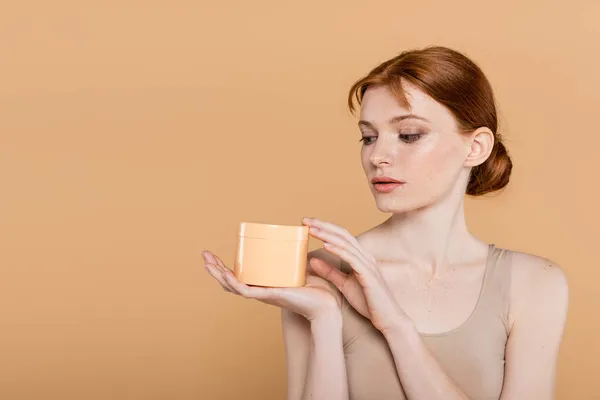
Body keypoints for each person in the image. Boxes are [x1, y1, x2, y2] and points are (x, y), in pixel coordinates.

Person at [202, 46, 569, 400]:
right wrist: (326, 321)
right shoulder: (320, 274)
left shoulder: (534, 284)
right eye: (368, 137)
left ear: (475, 148)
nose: (377, 156)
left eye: (409, 135)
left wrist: (396, 326)